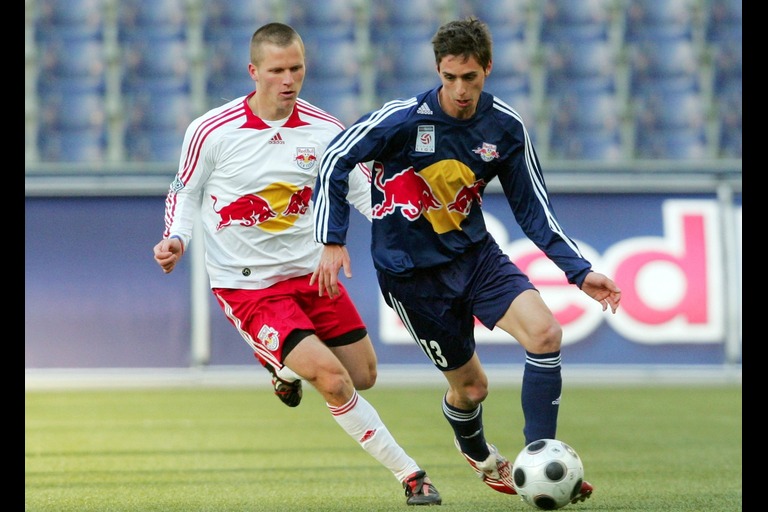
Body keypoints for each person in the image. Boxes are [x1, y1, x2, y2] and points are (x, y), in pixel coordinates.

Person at [311, 17, 621, 504]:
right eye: (450, 78)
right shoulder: (404, 118)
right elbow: (334, 159)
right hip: (413, 278)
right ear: (438, 70)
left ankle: (541, 458)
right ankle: (476, 451)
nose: (459, 90)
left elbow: (533, 207)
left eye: (470, 78)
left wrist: (579, 271)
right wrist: (332, 237)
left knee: (546, 333)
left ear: (487, 70)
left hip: (476, 257)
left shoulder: (504, 127)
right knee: (472, 389)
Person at [152, 22, 441, 506]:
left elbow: (361, 192)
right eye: (277, 70)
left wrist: (410, 225)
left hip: (311, 274)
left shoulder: (326, 129)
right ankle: (411, 475)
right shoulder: (211, 130)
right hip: (248, 287)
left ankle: (283, 370)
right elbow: (186, 190)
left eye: (297, 68)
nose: (289, 79)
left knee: (364, 374)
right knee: (333, 379)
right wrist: (176, 238)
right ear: (254, 72)